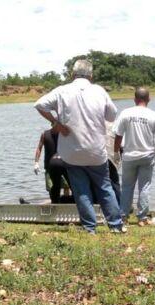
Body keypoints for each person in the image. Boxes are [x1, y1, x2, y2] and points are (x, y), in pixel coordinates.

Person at [34, 59, 124, 234]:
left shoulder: (62, 90)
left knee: (80, 190)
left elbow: (39, 104)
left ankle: (90, 228)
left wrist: (55, 122)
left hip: (71, 152)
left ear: (72, 74)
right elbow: (112, 116)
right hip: (96, 150)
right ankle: (115, 225)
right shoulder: (99, 91)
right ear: (91, 75)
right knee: (105, 187)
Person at [113, 87, 155, 225]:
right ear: (149, 99)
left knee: (127, 187)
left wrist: (115, 152)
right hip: (147, 156)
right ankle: (142, 218)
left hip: (129, 156)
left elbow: (118, 135)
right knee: (145, 186)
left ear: (134, 99)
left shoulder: (126, 113)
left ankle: (124, 216)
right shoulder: (154, 115)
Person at [33, 128, 72, 203]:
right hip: (49, 167)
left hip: (63, 165)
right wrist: (36, 162)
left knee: (66, 187)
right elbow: (39, 148)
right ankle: (55, 204)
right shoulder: (45, 134)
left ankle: (66, 206)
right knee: (51, 188)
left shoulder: (63, 134)